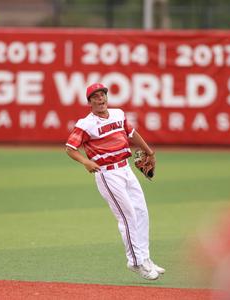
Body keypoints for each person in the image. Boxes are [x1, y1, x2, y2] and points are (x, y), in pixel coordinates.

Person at [65, 83, 165, 280]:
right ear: (90, 102)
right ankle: (135, 262)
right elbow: (70, 147)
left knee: (141, 212)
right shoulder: (86, 124)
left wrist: (149, 151)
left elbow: (131, 133)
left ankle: (145, 258)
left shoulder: (118, 114)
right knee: (127, 216)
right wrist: (86, 162)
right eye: (95, 97)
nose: (100, 99)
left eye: (102, 95)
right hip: (107, 174)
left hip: (126, 169)